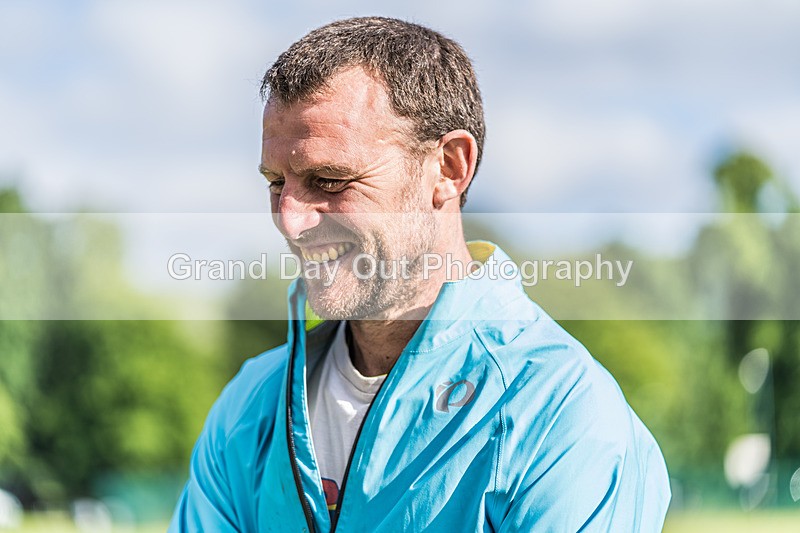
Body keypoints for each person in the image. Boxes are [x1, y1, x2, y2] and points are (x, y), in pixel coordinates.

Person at [170, 17, 671, 532]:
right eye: (277, 183)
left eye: (330, 180)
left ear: (449, 168)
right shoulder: (249, 409)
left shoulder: (560, 414)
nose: (291, 221)